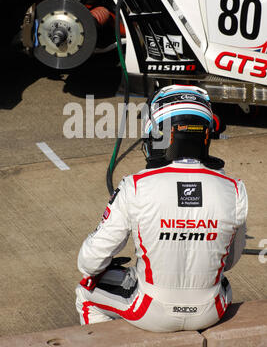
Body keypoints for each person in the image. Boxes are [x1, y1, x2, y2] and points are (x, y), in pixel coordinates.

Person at [75, 85, 248, 332]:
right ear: (206, 135)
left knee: (85, 290)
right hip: (211, 310)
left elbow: (89, 263)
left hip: (149, 311)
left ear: (160, 135)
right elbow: (228, 262)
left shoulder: (134, 186)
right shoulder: (235, 189)